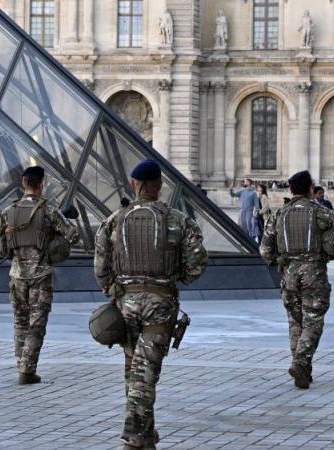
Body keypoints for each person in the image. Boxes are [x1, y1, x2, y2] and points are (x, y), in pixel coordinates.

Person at [94, 160, 208, 449]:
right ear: (159, 186)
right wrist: (174, 279)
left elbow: (100, 267)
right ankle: (134, 437)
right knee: (145, 372)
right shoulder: (179, 220)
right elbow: (197, 264)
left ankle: (146, 434)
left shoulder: (114, 221)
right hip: (160, 304)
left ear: (134, 184)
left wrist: (115, 291)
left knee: (135, 369)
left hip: (126, 304)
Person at [0, 166, 79, 385]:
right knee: (36, 324)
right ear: (41, 184)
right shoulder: (49, 210)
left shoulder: (8, 212)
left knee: (20, 322)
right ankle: (27, 369)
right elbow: (73, 235)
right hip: (41, 275)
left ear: (23, 184)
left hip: (17, 276)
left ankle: (21, 364)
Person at [260, 170, 334, 390]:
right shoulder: (319, 212)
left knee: (295, 322)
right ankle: (300, 362)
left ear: (291, 190)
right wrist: (328, 251)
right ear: (310, 188)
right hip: (313, 273)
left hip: (289, 275)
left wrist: (280, 262)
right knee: (313, 320)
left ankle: (303, 370)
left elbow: (265, 250)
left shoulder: (279, 215)